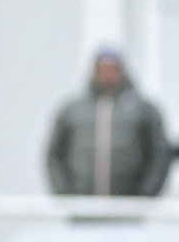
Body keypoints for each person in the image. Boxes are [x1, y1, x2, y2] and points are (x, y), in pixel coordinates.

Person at [45, 47, 171, 197]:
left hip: (129, 203)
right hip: (81, 201)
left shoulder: (143, 110)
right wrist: (64, 193)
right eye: (103, 69)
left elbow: (159, 154)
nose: (108, 75)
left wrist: (146, 194)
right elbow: (55, 155)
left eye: (113, 69)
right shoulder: (72, 110)